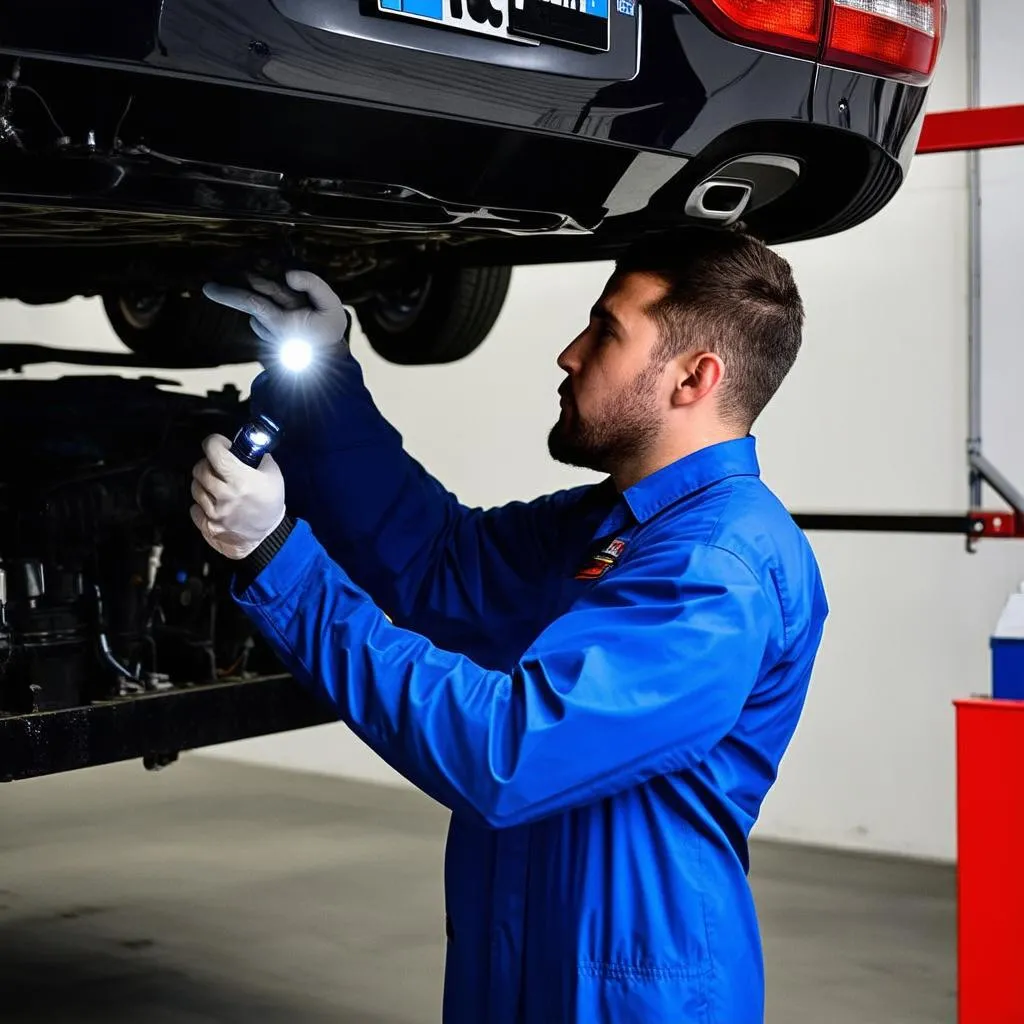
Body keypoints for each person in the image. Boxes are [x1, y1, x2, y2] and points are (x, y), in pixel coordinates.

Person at [190, 228, 829, 1024]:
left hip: (630, 996)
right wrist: (323, 375)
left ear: (694, 378)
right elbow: (440, 561)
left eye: (607, 331)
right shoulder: (615, 527)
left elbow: (512, 752)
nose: (570, 353)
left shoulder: (715, 568)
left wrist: (279, 557)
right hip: (529, 955)